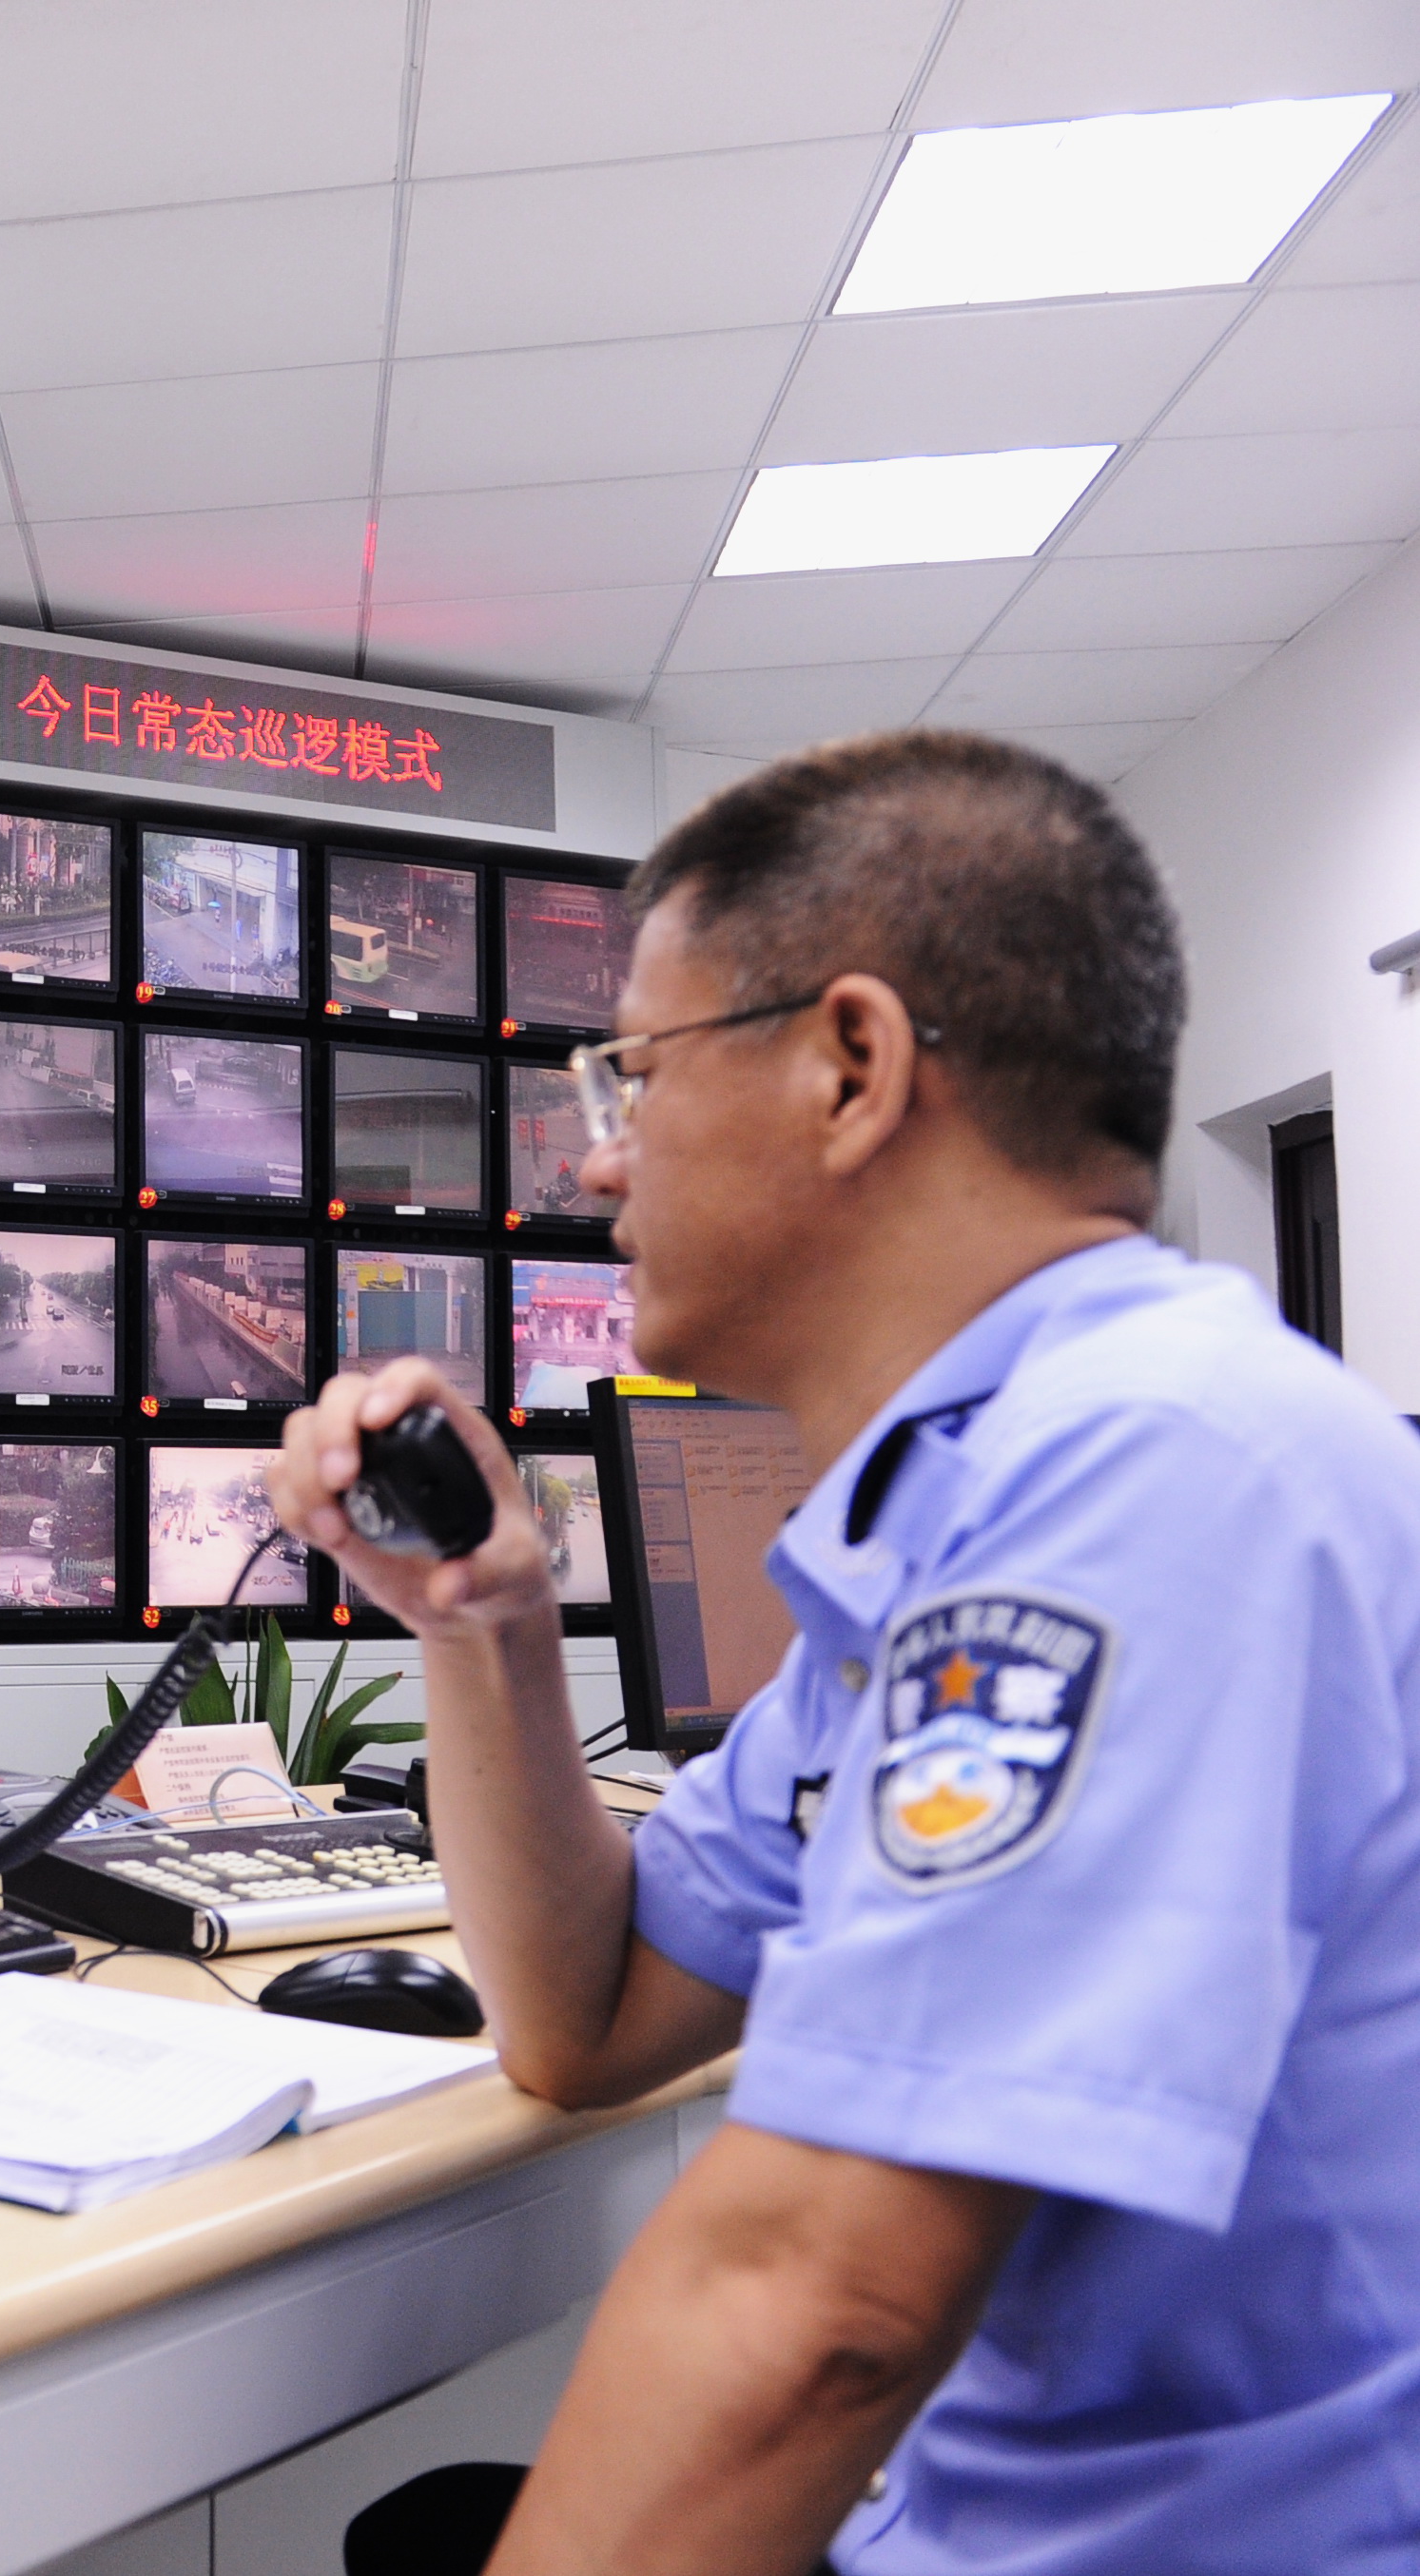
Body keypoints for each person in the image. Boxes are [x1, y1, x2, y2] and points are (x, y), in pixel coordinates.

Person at [271, 730, 1420, 2575]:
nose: (595, 1153)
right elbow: (587, 2022)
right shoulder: (952, 1518)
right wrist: (482, 1620)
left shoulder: (1146, 1470)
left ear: (850, 1066)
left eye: (633, 1072)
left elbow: (818, 2307)